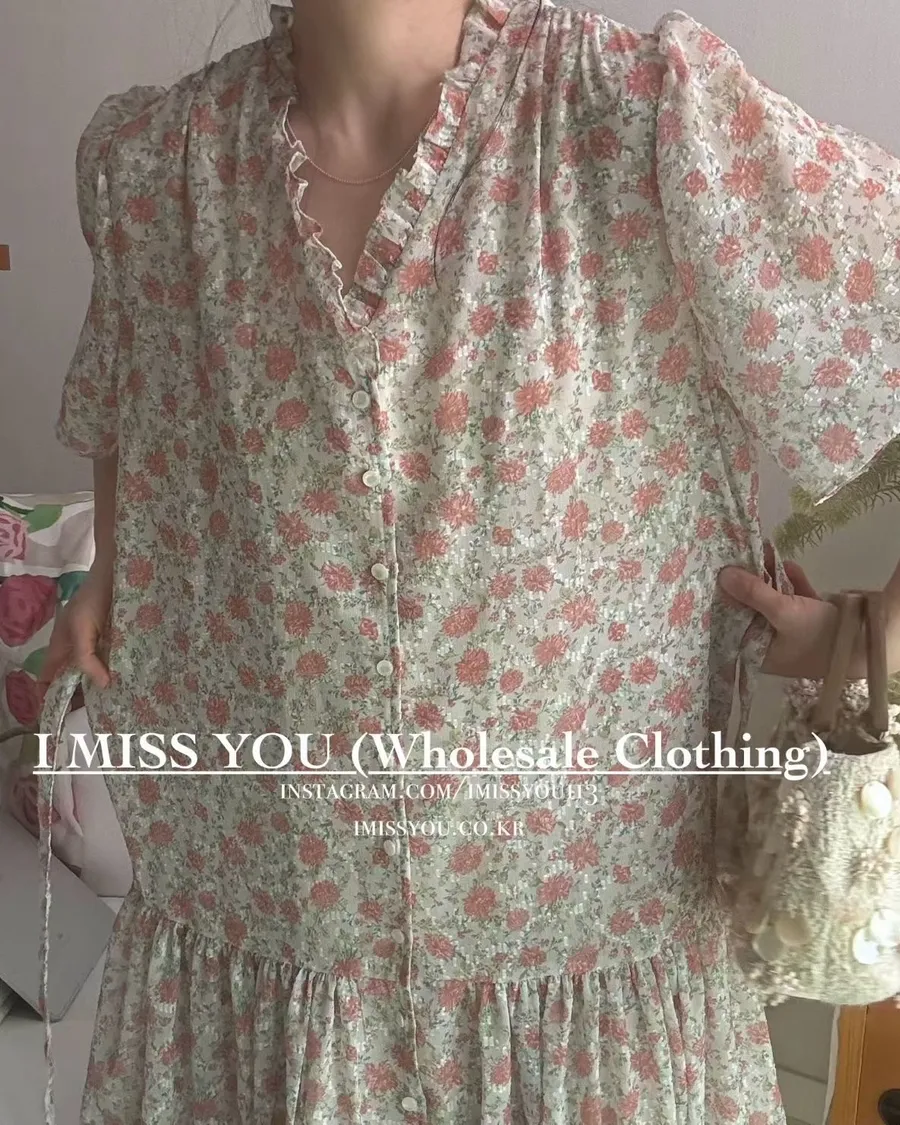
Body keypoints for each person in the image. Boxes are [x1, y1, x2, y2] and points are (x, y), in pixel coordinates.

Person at [38, 0, 900, 1122]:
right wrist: (114, 572)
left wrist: (873, 633)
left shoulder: (640, 124)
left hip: (591, 1009)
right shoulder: (154, 172)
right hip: (261, 988)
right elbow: (135, 431)